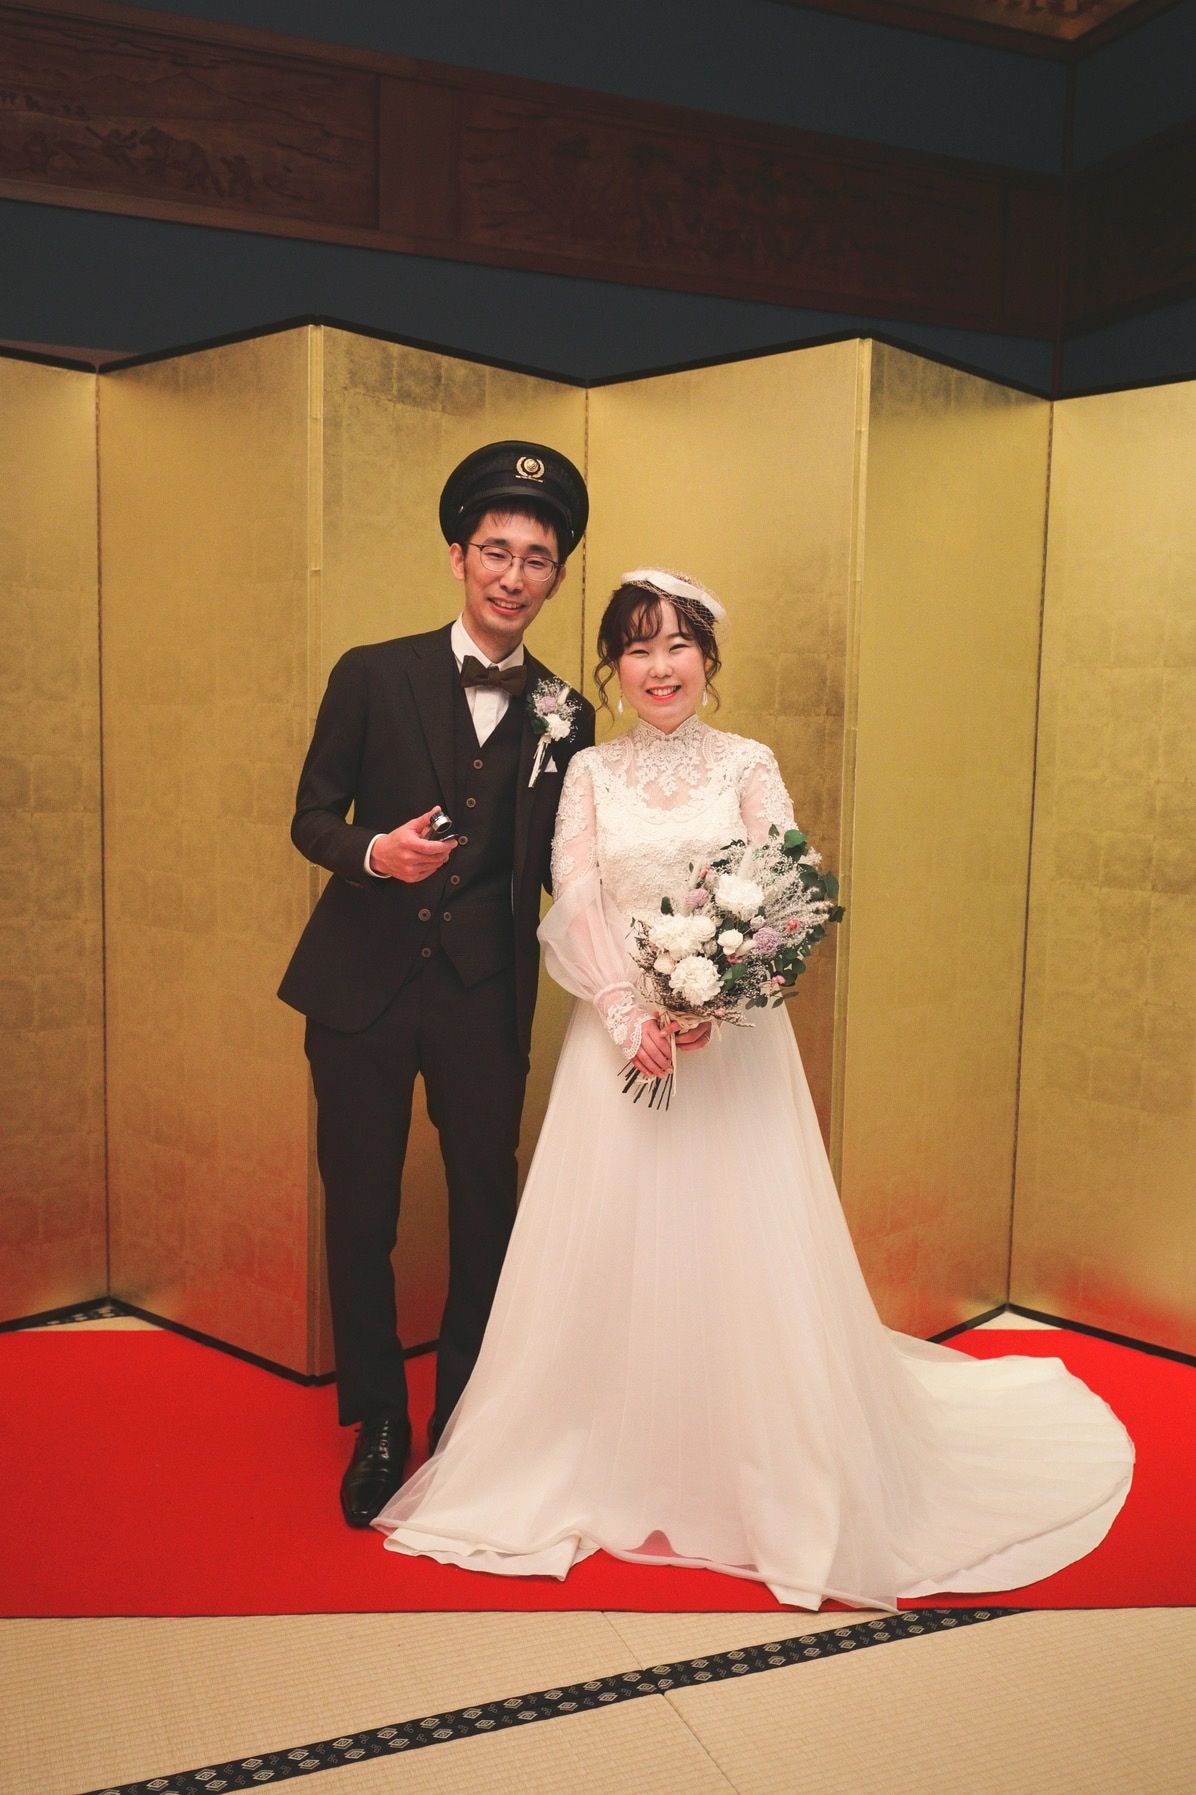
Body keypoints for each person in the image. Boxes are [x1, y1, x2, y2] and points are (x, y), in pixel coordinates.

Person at [372, 568, 1134, 1610]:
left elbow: (787, 893)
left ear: (707, 659)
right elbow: (576, 894)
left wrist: (721, 995)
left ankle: (759, 1461)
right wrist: (628, 1009)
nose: (659, 666)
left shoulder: (748, 763)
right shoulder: (588, 768)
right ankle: (599, 1448)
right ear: (612, 666)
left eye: (677, 645)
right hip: (621, 1045)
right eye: (637, 647)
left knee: (736, 1242)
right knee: (612, 1241)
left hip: (732, 1049)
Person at [278, 441, 595, 1527]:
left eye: (536, 559)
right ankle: (378, 1417)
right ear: (458, 555)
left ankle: (466, 1413)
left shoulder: (567, 713)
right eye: (495, 551)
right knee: (360, 1208)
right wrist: (375, 852)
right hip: (358, 986)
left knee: (483, 1208)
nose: (513, 575)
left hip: (482, 993)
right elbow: (310, 816)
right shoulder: (372, 671)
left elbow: (567, 866)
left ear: (558, 576)